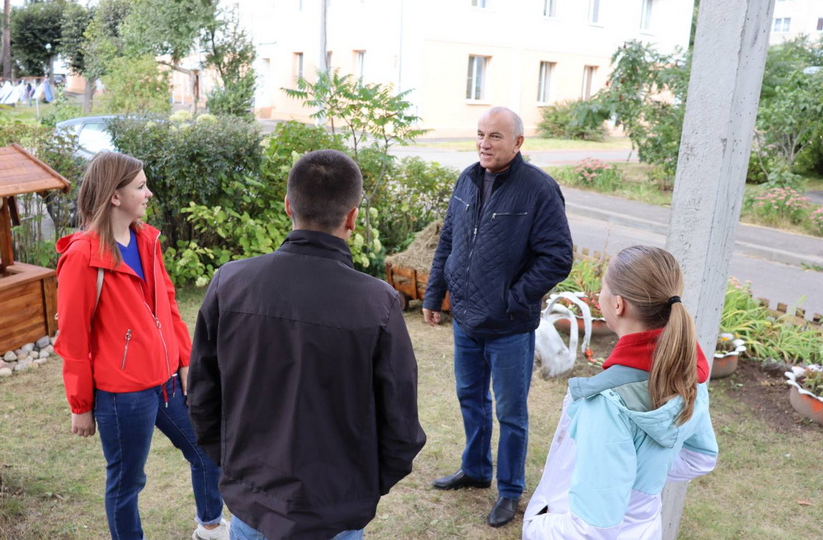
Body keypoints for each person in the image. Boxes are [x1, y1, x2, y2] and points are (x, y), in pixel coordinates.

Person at [188, 149, 427, 540]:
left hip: (284, 504)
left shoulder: (231, 283)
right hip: (301, 505)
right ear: (352, 218)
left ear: (288, 207)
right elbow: (401, 425)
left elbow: (199, 398)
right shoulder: (377, 303)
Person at [54, 151, 228, 540]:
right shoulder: (82, 256)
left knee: (207, 450)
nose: (148, 193)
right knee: (127, 483)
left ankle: (211, 526)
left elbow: (167, 303)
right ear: (115, 196)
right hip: (123, 396)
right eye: (140, 186)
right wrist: (80, 405)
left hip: (167, 382)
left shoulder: (146, 239)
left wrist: (184, 360)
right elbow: (73, 338)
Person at [423, 106, 574, 528]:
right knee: (470, 398)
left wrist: (515, 297)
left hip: (509, 326)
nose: (484, 144)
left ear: (518, 143)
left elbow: (558, 256)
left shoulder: (539, 189)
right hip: (466, 321)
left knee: (511, 413)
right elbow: (448, 240)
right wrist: (435, 294)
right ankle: (474, 470)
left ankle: (509, 491)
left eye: (495, 137)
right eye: (480, 134)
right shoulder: (468, 179)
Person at [522, 245, 719, 539]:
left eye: (603, 288)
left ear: (617, 304)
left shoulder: (606, 403)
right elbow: (700, 456)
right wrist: (637, 481)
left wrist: (536, 525)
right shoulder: (688, 372)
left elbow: (591, 531)